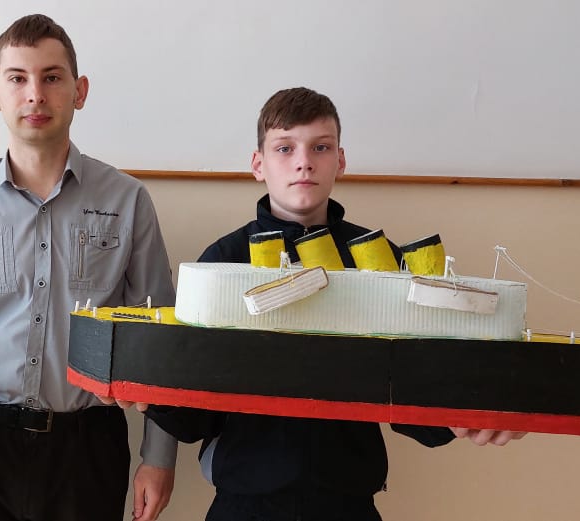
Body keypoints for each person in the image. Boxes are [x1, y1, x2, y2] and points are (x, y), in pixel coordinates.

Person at [136, 87, 525, 521]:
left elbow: (411, 392)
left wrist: (460, 415)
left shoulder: (382, 261)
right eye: (285, 148)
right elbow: (196, 416)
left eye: (320, 147)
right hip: (244, 501)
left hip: (348, 502)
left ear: (340, 160)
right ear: (258, 164)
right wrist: (152, 398)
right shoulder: (220, 263)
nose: (304, 162)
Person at [0, 13, 178, 521]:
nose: (35, 94)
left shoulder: (127, 200)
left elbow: (158, 336)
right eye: (18, 78)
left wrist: (159, 457)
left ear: (80, 91)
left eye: (52, 77)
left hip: (88, 445)